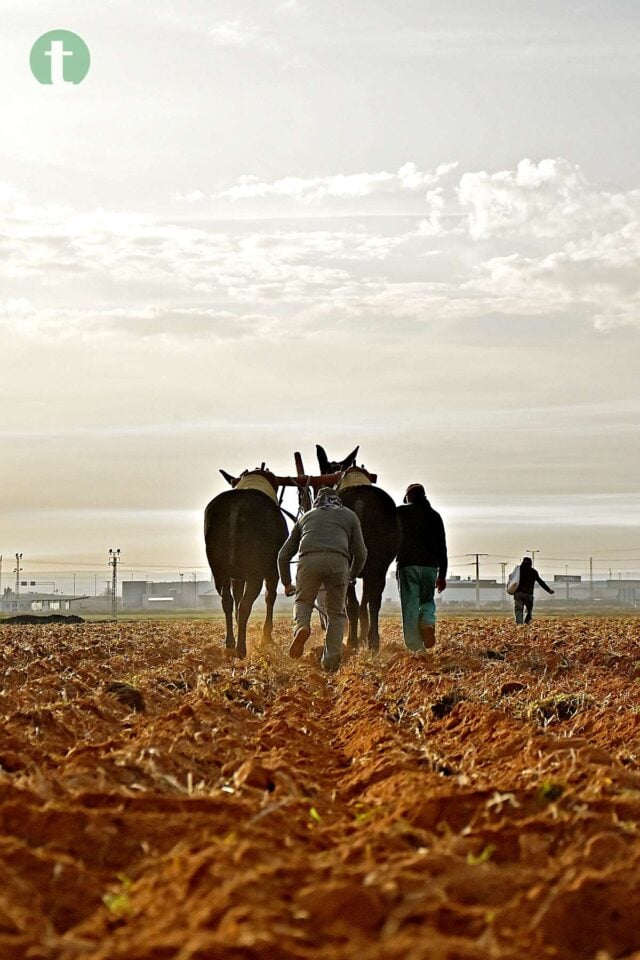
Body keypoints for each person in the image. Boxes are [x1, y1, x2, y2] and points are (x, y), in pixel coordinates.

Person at [278, 487, 367, 672]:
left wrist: (287, 583)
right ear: (337, 501)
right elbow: (361, 552)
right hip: (338, 562)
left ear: (318, 501)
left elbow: (283, 555)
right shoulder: (350, 516)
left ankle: (302, 627)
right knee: (336, 614)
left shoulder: (306, 517)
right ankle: (330, 661)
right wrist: (352, 575)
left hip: (308, 561)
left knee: (303, 601)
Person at [396, 483, 447, 652]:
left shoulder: (401, 513)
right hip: (430, 567)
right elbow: (442, 547)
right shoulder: (435, 516)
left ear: (408, 498)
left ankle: (416, 649)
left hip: (408, 565)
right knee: (427, 600)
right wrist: (442, 575)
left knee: (410, 605)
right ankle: (427, 623)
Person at [513, 556, 554, 624]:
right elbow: (540, 582)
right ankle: (526, 622)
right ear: (531, 563)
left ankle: (519, 624)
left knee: (518, 610)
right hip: (528, 595)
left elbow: (511, 577)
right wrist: (549, 590)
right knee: (529, 610)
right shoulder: (533, 572)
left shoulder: (518, 570)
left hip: (518, 594)